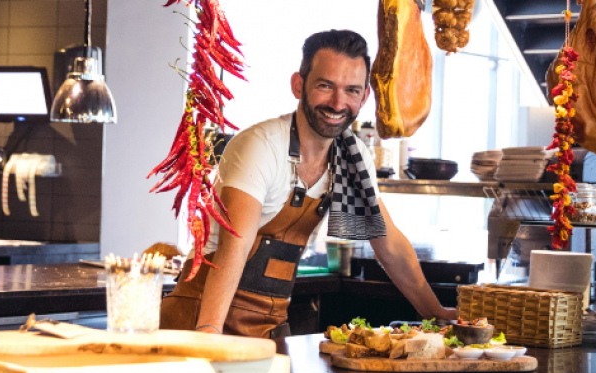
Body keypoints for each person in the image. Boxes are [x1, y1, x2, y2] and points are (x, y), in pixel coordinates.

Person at [160, 29, 457, 338]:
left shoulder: (352, 158)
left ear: (365, 96)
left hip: (266, 328)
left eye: (352, 90)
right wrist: (209, 331)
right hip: (197, 319)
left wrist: (436, 314)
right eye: (325, 86)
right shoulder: (261, 146)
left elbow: (389, 245)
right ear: (298, 85)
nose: (338, 102)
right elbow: (236, 244)